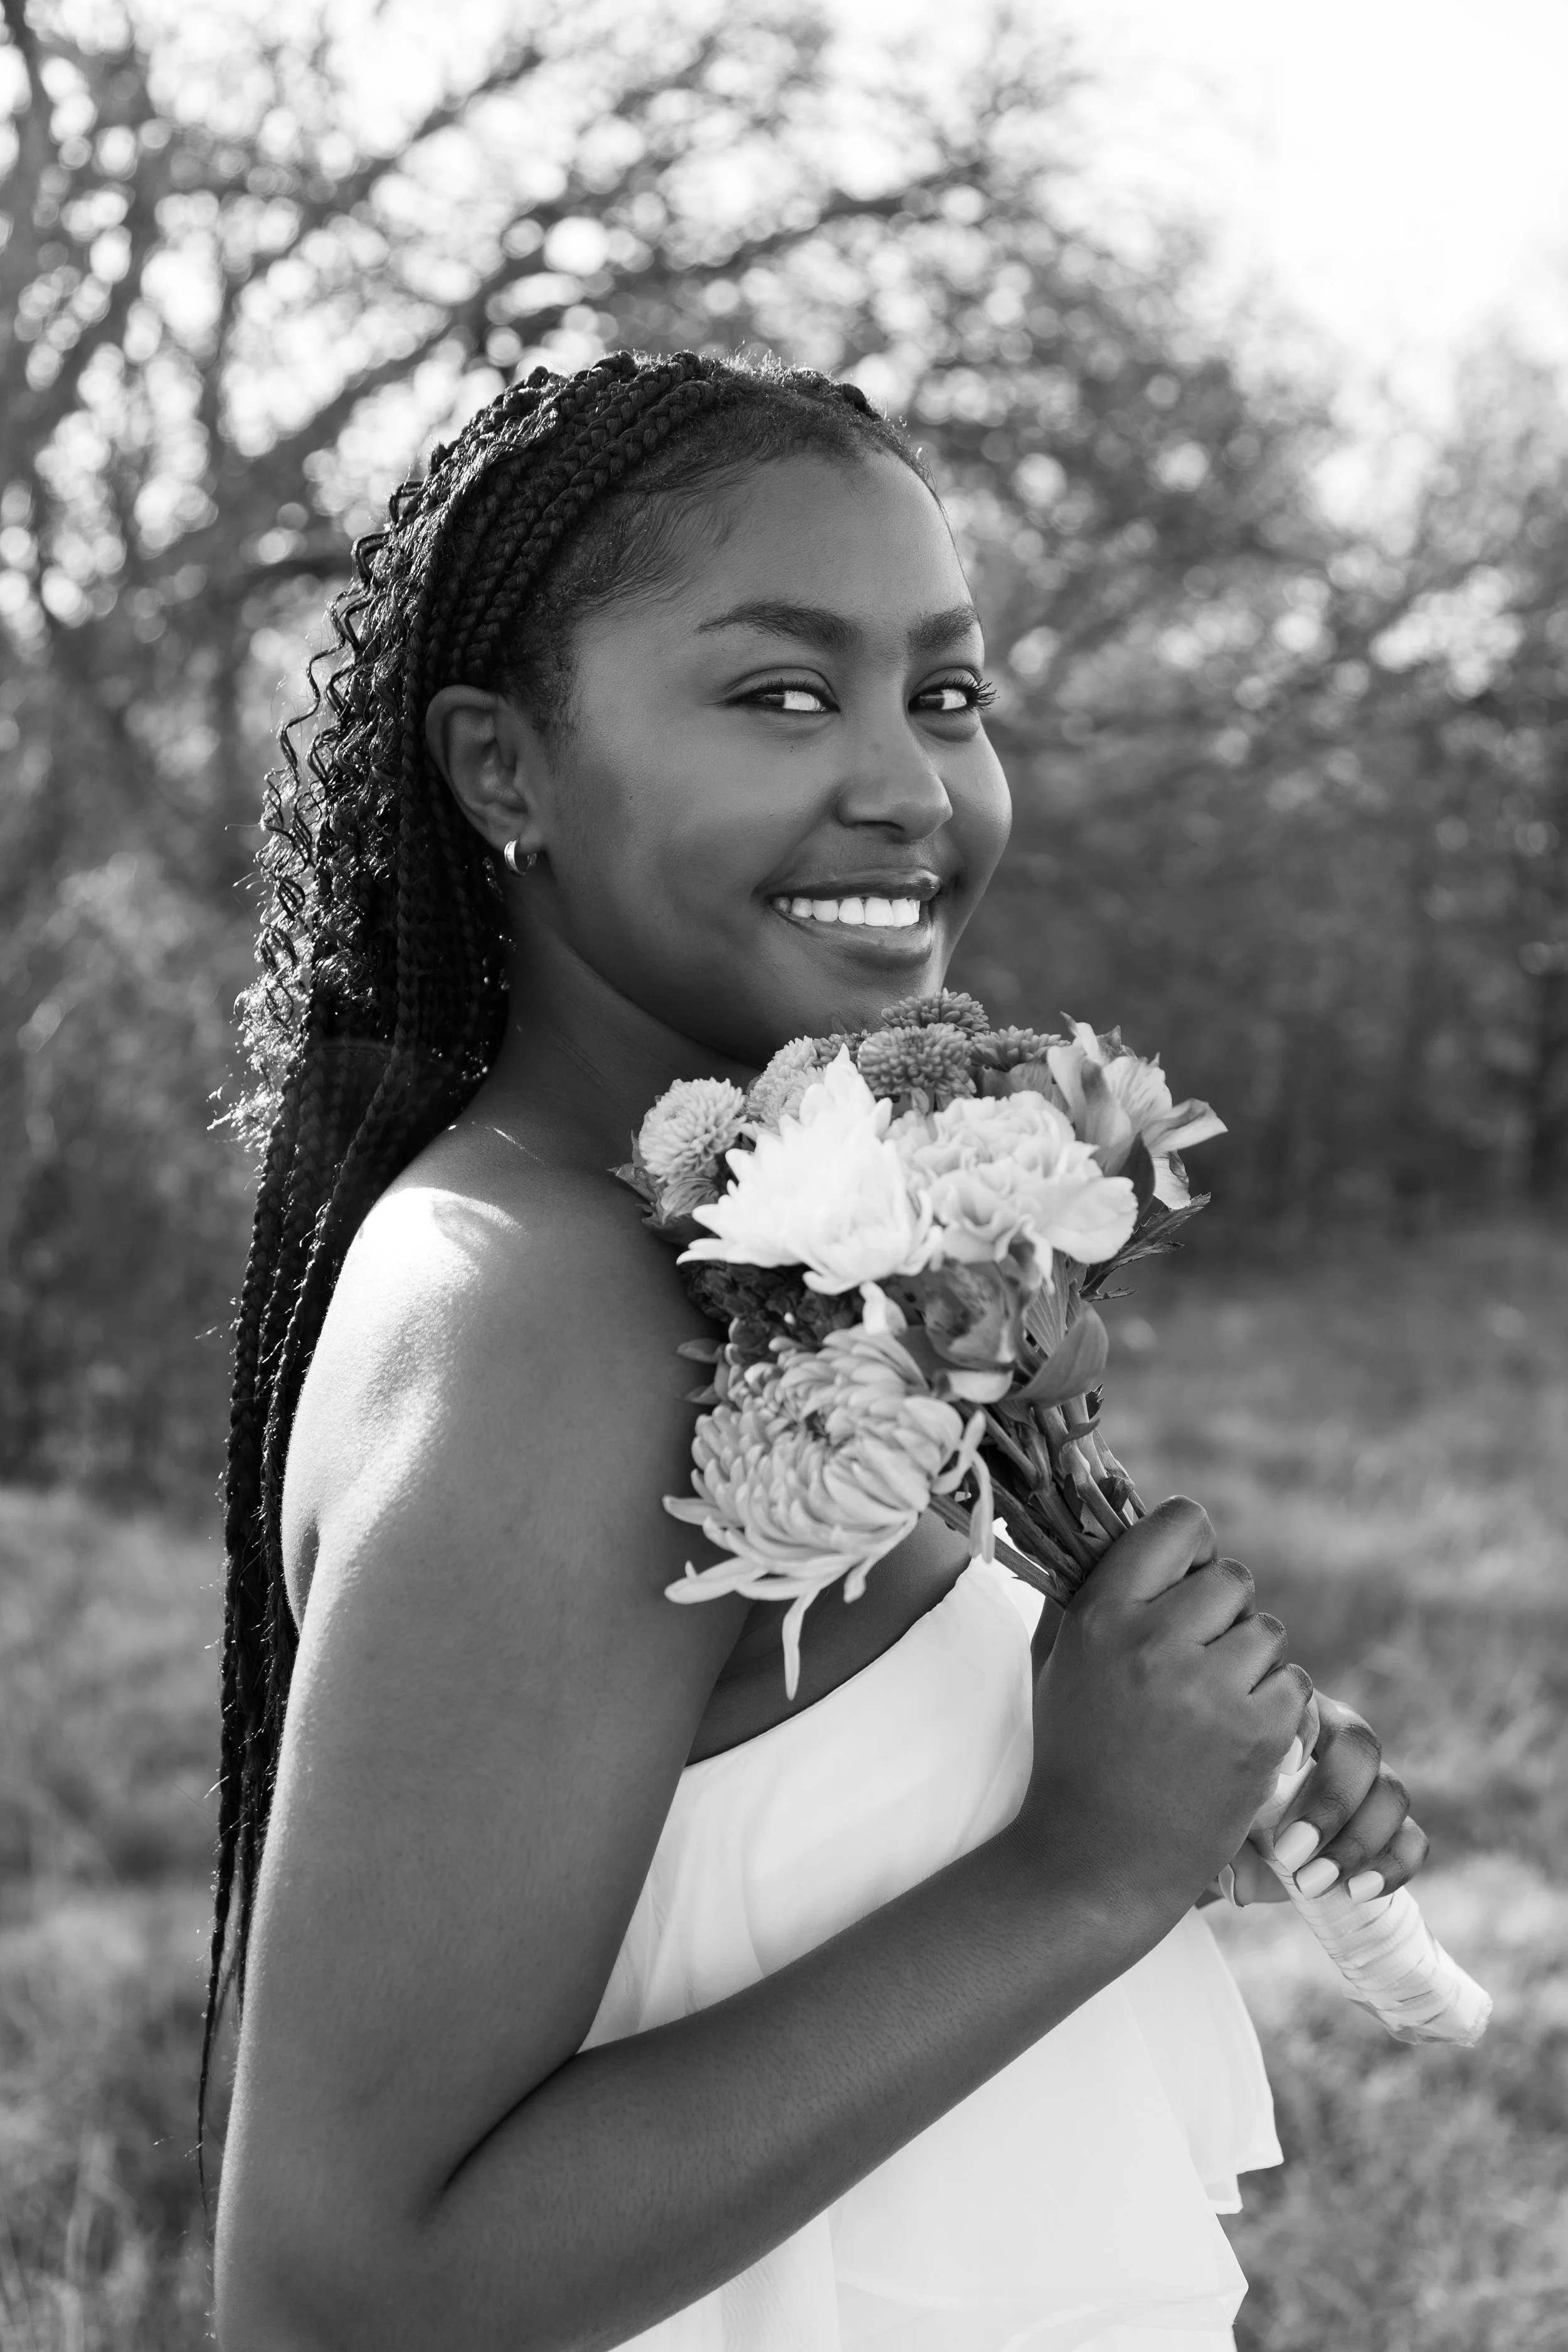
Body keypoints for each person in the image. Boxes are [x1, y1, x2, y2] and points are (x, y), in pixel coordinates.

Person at [209, 350, 1427, 2351]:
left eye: (943, 694)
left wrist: (1172, 1782)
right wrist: (1074, 1869)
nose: (905, 782)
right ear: (501, 766)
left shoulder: (711, 1245)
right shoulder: (536, 1308)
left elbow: (744, 1891)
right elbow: (341, 2295)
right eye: (782, 692)